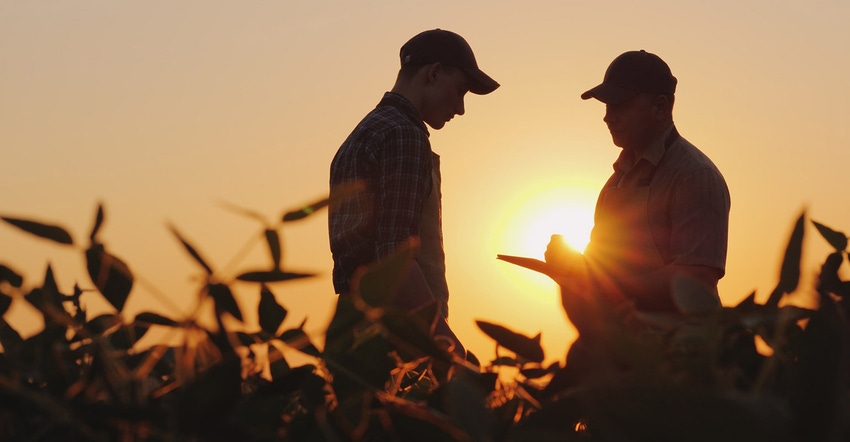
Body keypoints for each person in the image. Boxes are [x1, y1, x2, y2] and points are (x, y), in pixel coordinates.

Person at [543, 50, 731, 391]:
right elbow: (603, 265)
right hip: (621, 354)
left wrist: (602, 285)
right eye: (606, 106)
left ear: (660, 107)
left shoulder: (695, 176)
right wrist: (570, 267)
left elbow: (696, 278)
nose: (607, 117)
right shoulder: (614, 184)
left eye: (620, 105)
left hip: (682, 363)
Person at [328, 29, 499, 363]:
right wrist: (448, 349)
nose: (461, 108)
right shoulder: (404, 135)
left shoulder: (361, 134)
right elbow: (395, 259)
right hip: (392, 339)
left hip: (351, 330)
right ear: (434, 73)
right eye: (460, 91)